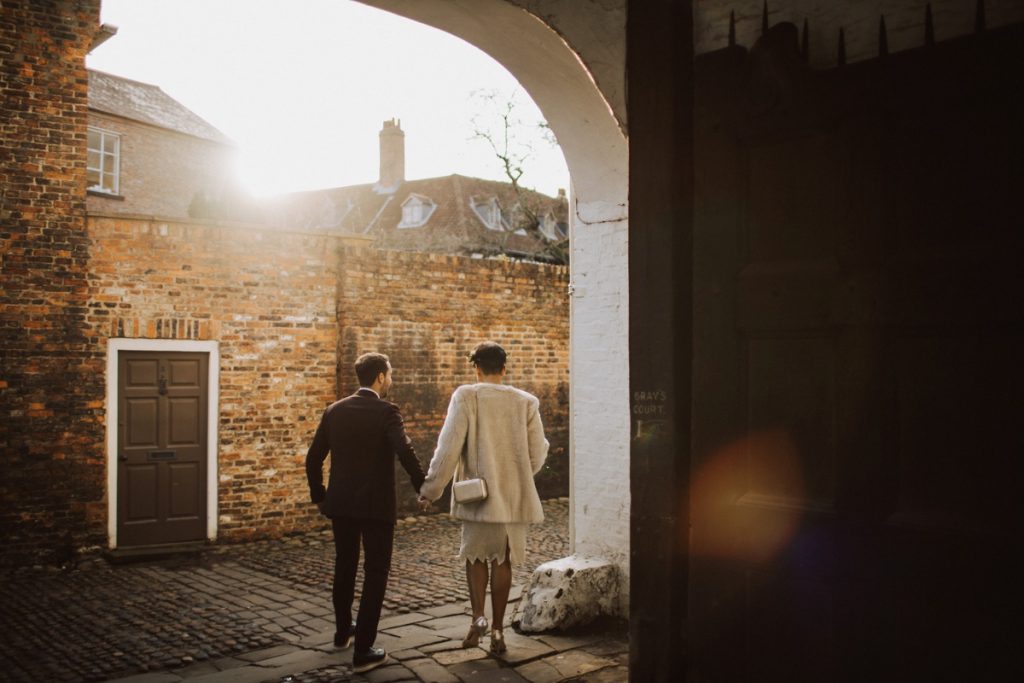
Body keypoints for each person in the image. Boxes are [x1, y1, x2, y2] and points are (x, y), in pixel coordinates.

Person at [418, 341, 549, 654]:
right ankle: (498, 631)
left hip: (478, 496)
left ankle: (478, 618)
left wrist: (431, 490)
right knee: (503, 560)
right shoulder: (526, 401)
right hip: (513, 497)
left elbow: (448, 447)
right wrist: (517, 475)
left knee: (475, 557)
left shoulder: (467, 395)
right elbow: (538, 451)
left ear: (475, 368)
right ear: (504, 368)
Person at [305, 352, 425, 674]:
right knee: (376, 571)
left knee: (344, 565)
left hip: (341, 504)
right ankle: (363, 651)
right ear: (381, 377)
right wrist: (423, 486)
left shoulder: (334, 411)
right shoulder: (387, 411)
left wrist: (320, 495)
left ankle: (343, 632)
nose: (392, 379)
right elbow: (405, 450)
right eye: (391, 374)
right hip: (375, 506)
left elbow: (313, 458)